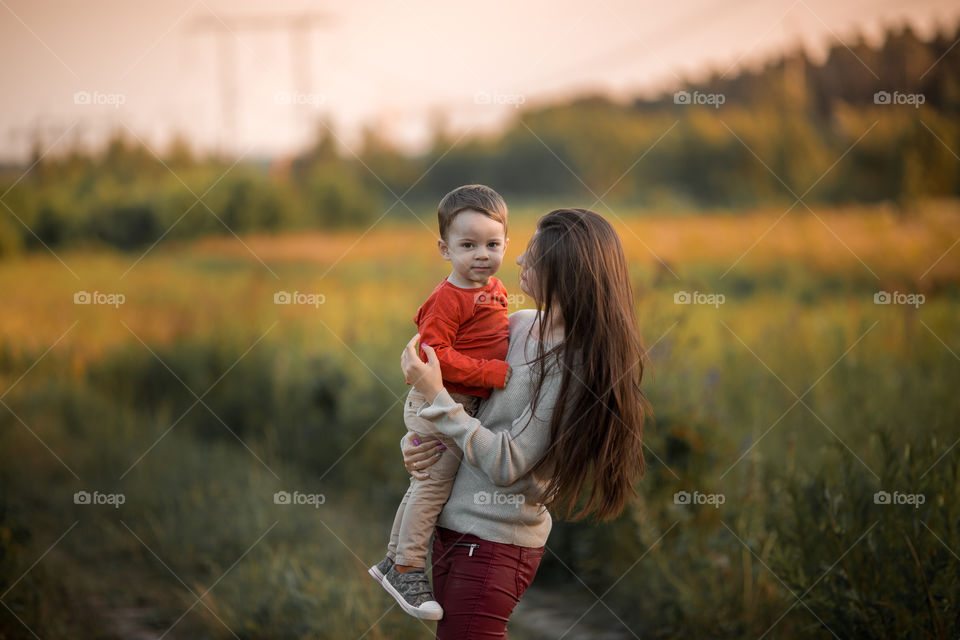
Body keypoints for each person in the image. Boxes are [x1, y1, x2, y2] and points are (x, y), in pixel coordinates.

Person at [398, 208, 651, 639]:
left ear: (561, 269)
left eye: (531, 255)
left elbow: (507, 463)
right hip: (450, 531)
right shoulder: (516, 325)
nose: (515, 262)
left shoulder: (572, 364)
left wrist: (437, 399)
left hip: (493, 545)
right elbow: (469, 411)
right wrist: (423, 441)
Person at [369, 185, 515, 620]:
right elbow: (435, 357)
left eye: (492, 244)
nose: (481, 255)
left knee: (425, 483)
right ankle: (409, 567)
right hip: (437, 400)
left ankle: (392, 560)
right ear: (444, 249)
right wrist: (491, 374)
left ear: (507, 243)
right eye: (467, 246)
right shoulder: (447, 299)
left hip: (457, 405)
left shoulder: (495, 288)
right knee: (432, 486)